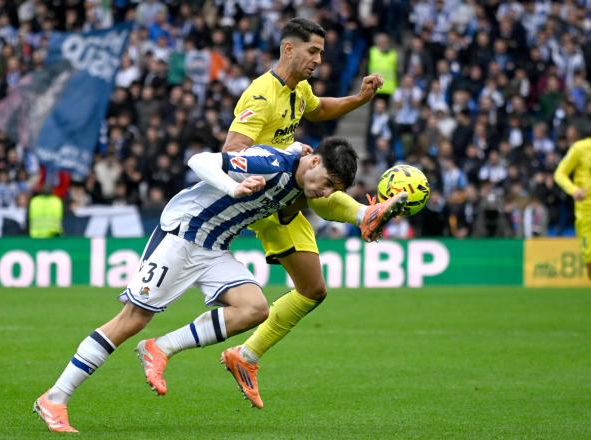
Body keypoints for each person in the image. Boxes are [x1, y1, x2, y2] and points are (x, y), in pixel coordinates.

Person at [32, 137, 409, 432]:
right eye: (325, 182)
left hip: (213, 247)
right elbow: (199, 160)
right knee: (130, 320)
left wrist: (370, 211)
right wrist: (232, 187)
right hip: (182, 235)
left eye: (332, 188)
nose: (324, 192)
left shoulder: (302, 175)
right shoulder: (271, 163)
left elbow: (336, 202)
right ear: (313, 163)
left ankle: (160, 348)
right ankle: (55, 397)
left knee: (255, 308)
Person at [220, 17, 395, 409]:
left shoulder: (298, 90)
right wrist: (275, 166)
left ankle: (245, 357)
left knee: (313, 290)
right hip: (261, 197)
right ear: (288, 49)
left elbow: (318, 111)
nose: (318, 59)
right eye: (312, 51)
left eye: (321, 52)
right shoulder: (261, 96)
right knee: (312, 176)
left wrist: (358, 100)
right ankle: (360, 216)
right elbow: (230, 153)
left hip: (283, 191)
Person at [554, 137, 591, 280]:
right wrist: (573, 190)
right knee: (589, 261)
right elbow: (559, 173)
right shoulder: (580, 148)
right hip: (586, 214)